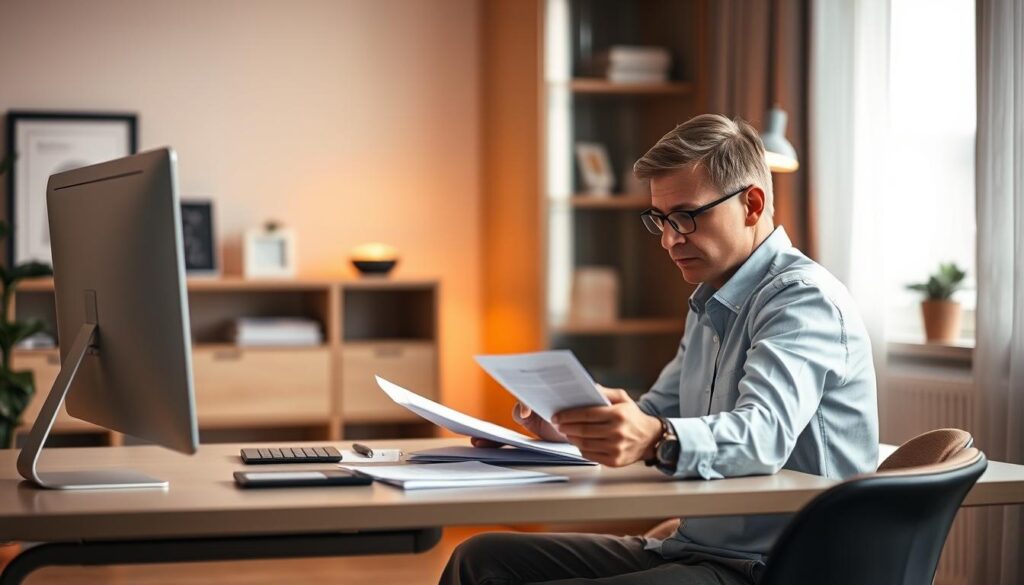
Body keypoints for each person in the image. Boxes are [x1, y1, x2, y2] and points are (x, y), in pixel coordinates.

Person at [440, 113, 878, 585]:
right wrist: (572, 424)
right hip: (698, 549)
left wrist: (653, 436)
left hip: (780, 567)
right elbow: (655, 413)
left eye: (687, 217)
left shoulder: (802, 300)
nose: (670, 240)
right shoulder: (710, 299)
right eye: (661, 220)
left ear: (752, 204)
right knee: (481, 558)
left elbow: (763, 434)